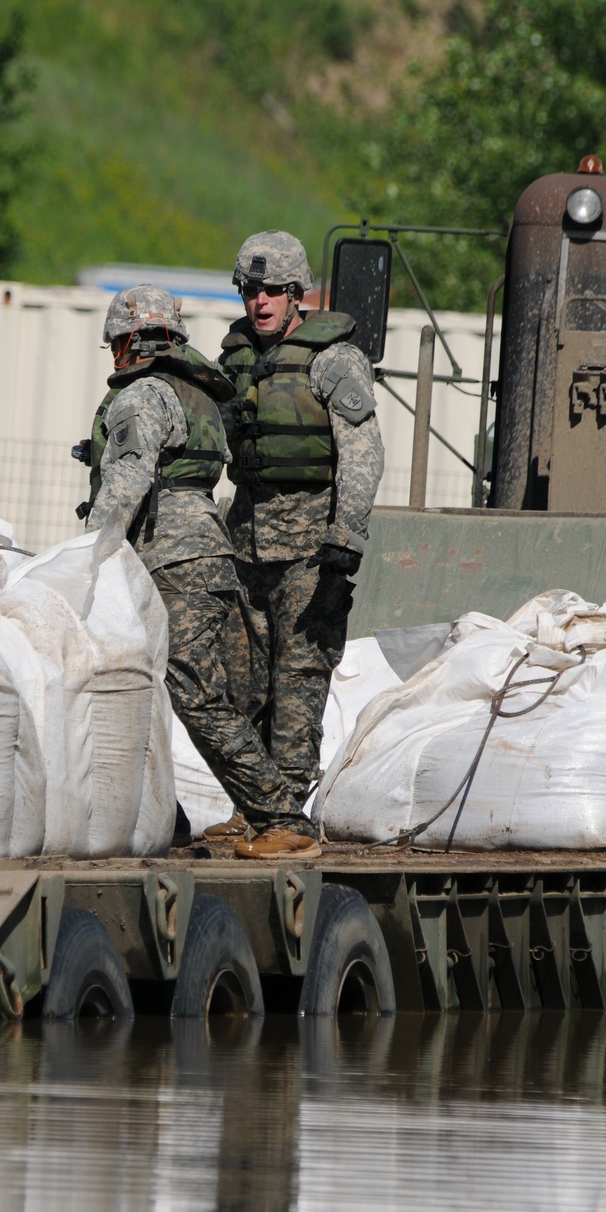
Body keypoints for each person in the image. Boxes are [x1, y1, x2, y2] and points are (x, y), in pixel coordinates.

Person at [84, 285, 320, 858]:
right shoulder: (198, 392)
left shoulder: (142, 395)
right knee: (158, 689)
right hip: (208, 554)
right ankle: (168, 814)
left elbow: (125, 484)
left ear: (125, 342)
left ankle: (278, 818)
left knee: (195, 694)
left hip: (171, 559)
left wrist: (85, 558)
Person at [216, 230, 385, 859]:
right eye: (251, 289)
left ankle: (287, 816)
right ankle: (252, 806)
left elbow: (363, 453)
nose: (260, 301)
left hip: (311, 548)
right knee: (241, 681)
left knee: (299, 679)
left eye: (274, 291)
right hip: (244, 542)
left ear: (298, 294)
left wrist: (346, 542)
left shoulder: (334, 360)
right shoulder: (232, 360)